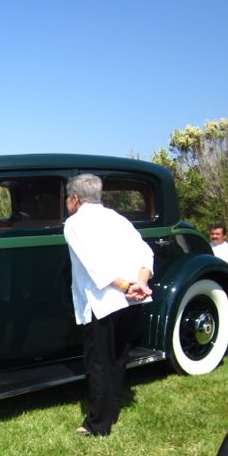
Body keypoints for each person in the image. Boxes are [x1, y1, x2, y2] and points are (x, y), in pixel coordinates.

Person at [64, 173, 154, 437]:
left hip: (104, 300)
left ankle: (97, 424)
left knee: (99, 361)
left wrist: (128, 286)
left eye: (68, 199)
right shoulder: (119, 219)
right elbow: (145, 253)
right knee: (117, 357)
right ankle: (110, 410)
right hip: (132, 298)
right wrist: (140, 282)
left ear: (75, 198)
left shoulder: (74, 223)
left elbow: (94, 266)